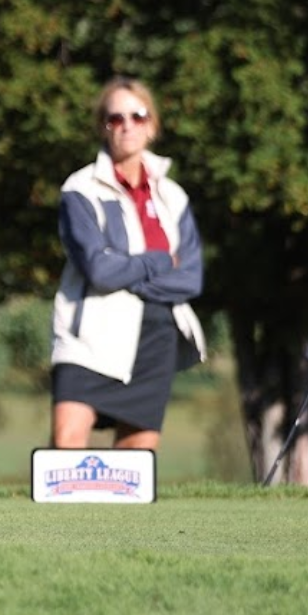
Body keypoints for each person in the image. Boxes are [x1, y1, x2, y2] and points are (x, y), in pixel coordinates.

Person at [50, 77, 207, 452]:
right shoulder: (80, 190)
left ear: (152, 125)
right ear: (103, 127)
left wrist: (126, 268)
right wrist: (159, 261)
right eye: (115, 118)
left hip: (157, 335)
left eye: (137, 116)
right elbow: (99, 271)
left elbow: (190, 278)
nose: (127, 126)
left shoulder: (173, 196)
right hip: (90, 334)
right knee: (67, 442)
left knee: (136, 457)